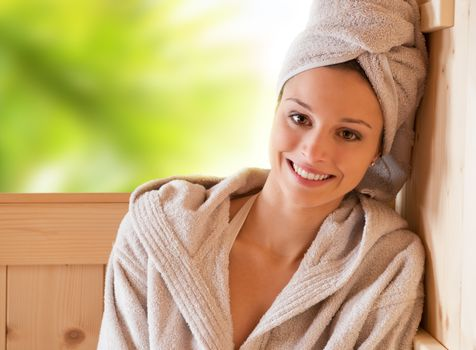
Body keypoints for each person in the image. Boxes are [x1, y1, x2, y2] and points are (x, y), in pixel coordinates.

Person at [97, 0, 428, 349]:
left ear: (378, 150)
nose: (314, 152)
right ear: (275, 110)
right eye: (300, 118)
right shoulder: (158, 229)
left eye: (348, 134)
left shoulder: (386, 268)